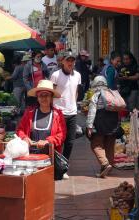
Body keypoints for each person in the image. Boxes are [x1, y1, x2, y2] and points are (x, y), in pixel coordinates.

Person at [50, 51, 81, 179]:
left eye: (72, 60)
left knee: (70, 142)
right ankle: (55, 166)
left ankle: (64, 165)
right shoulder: (55, 75)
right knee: (58, 141)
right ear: (62, 61)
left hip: (72, 112)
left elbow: (76, 92)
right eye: (68, 60)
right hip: (58, 112)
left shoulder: (78, 75)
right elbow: (51, 92)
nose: (70, 63)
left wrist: (74, 104)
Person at [16, 80, 66, 155]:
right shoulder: (29, 113)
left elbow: (61, 135)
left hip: (50, 157)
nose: (44, 98)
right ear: (37, 97)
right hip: (29, 156)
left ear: (51, 97)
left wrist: (48, 141)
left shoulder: (58, 115)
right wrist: (24, 138)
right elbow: (20, 130)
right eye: (41, 95)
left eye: (47, 95)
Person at [86, 76, 119, 178]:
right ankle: (107, 167)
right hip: (113, 124)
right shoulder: (112, 94)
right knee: (109, 146)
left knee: (95, 144)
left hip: (100, 124)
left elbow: (92, 112)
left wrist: (89, 126)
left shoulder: (96, 95)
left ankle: (105, 163)